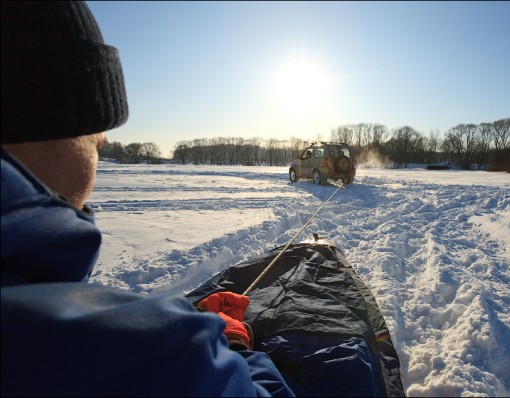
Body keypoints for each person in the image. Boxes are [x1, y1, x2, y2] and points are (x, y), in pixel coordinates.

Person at [0, 2, 294, 396]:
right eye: (95, 139)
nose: (100, 148)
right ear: (41, 120)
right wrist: (234, 348)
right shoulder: (156, 355)